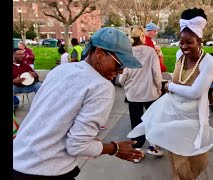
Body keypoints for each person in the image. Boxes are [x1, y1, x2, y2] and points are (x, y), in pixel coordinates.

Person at [13, 27, 144, 180]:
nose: (121, 71)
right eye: (119, 64)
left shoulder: (60, 70)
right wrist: (115, 148)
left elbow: (49, 117)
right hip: (47, 169)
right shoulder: (101, 86)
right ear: (99, 54)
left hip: (19, 159)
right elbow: (77, 146)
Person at [127, 8, 213, 179]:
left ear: (200, 41)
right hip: (173, 113)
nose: (184, 46)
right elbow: (180, 79)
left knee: (198, 160)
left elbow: (195, 92)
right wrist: (171, 87)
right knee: (178, 162)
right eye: (182, 41)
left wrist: (169, 87)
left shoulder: (208, 62)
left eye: (189, 42)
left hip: (194, 118)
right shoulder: (180, 54)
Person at [119, 26, 163, 158]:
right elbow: (157, 73)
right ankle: (153, 146)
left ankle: (137, 150)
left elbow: (122, 77)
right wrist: (159, 86)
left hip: (133, 94)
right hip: (150, 93)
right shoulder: (150, 52)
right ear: (143, 36)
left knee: (136, 122)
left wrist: (125, 86)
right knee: (153, 120)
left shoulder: (127, 54)